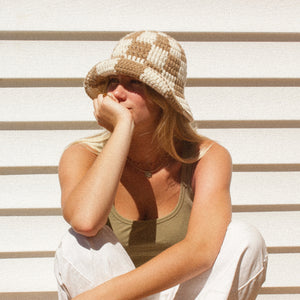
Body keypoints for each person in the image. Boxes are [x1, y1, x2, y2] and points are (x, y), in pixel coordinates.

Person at [54, 30, 268, 300]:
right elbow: (85, 222)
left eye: (134, 82)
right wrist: (122, 130)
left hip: (175, 295)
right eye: (112, 82)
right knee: (77, 244)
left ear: (163, 99)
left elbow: (201, 250)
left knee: (246, 239)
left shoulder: (207, 157)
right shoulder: (82, 154)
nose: (117, 93)